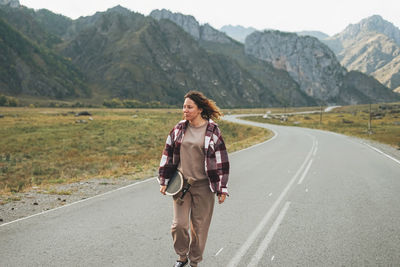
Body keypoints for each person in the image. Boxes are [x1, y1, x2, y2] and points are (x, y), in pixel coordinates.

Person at [159, 91, 230, 267]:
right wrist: (164, 180)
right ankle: (181, 257)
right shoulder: (179, 129)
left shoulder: (212, 130)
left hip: (204, 187)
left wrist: (222, 188)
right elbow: (167, 155)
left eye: (189, 107)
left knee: (199, 228)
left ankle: (194, 261)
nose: (185, 110)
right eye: (184, 106)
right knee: (179, 225)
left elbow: (222, 160)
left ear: (199, 109)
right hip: (181, 184)